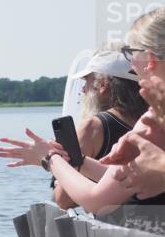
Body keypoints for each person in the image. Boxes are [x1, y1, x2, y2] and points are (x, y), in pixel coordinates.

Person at [0, 8, 165, 235]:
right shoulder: (150, 117)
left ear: (150, 60)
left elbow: (94, 200)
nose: (131, 64)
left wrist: (50, 158)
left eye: (131, 53)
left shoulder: (152, 121)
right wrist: (79, 161)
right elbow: (123, 178)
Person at [53, 49, 146, 209]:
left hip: (115, 229)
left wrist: (54, 167)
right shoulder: (153, 123)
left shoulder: (92, 127)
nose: (83, 89)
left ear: (102, 85)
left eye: (87, 80)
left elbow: (64, 200)